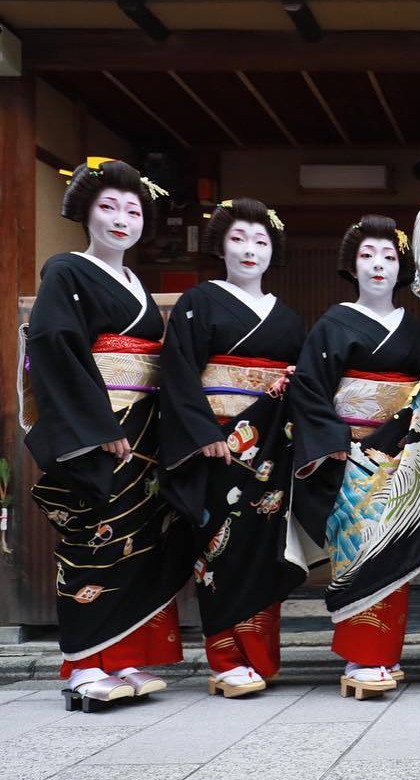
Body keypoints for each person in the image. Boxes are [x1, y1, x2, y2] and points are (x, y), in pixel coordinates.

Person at [21, 157, 193, 709]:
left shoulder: (134, 282)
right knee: (92, 542)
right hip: (100, 429)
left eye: (132, 209)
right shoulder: (65, 271)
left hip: (142, 430)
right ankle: (82, 665)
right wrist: (96, 426)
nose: (122, 218)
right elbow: (54, 345)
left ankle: (121, 658)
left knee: (137, 544)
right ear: (84, 213)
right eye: (108, 207)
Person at [290, 215, 420, 699]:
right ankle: (359, 656)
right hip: (348, 455)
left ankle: (385, 654)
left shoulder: (417, 328)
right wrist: (338, 447)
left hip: (399, 457)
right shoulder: (332, 324)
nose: (379, 265)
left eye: (389, 256)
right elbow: (309, 391)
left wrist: (403, 439)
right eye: (368, 255)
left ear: (402, 266)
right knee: (355, 550)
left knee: (393, 552)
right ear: (352, 265)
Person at [159, 198, 307, 698]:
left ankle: (262, 657)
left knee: (264, 549)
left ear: (274, 251)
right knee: (218, 548)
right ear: (220, 244)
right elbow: (179, 374)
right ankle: (224, 660)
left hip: (272, 448)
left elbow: (302, 384)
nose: (250, 250)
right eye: (239, 239)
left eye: (261, 242)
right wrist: (203, 434)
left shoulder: (286, 317)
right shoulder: (198, 302)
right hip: (220, 444)